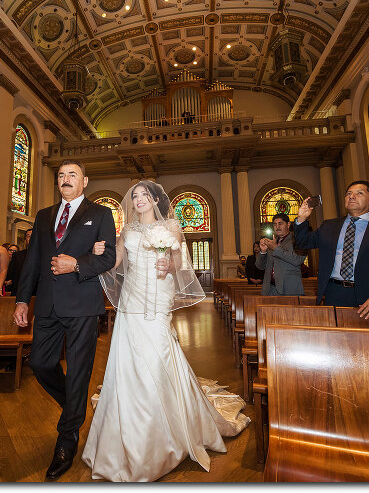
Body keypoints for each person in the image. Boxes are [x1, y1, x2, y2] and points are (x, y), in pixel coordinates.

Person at [82, 181, 249, 482]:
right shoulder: (128, 231)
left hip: (158, 296)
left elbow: (179, 265)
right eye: (135, 196)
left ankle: (169, 426)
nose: (139, 199)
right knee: (129, 356)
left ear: (155, 199)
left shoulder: (171, 227)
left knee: (158, 352)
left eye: (145, 195)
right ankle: (131, 426)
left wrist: (167, 263)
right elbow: (116, 262)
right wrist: (99, 251)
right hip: (132, 297)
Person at [12, 160, 117, 480]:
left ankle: (67, 436)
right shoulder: (44, 215)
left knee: (78, 372)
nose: (65, 179)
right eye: (61, 175)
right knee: (41, 364)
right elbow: (32, 262)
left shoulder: (99, 215)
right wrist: (21, 300)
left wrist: (78, 264)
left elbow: (109, 257)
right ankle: (74, 406)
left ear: (85, 181)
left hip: (82, 304)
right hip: (46, 304)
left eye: (72, 175)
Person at [293, 181, 369, 318]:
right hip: (334, 293)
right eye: (348, 194)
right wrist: (301, 218)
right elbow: (302, 243)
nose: (352, 196)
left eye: (359, 193)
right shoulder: (329, 226)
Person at [256, 213, 305, 296]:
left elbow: (298, 260)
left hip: (289, 289)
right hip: (269, 289)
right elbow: (260, 266)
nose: (277, 227)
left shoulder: (297, 239)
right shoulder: (272, 242)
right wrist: (263, 252)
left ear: (288, 224)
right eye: (274, 225)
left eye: (280, 223)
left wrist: (276, 248)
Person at [5, 228, 34, 296]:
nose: (31, 238)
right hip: (19, 292)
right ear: (25, 240)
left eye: (33, 235)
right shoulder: (17, 256)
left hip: (37, 294)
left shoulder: (44, 256)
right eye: (28, 236)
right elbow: (10, 275)